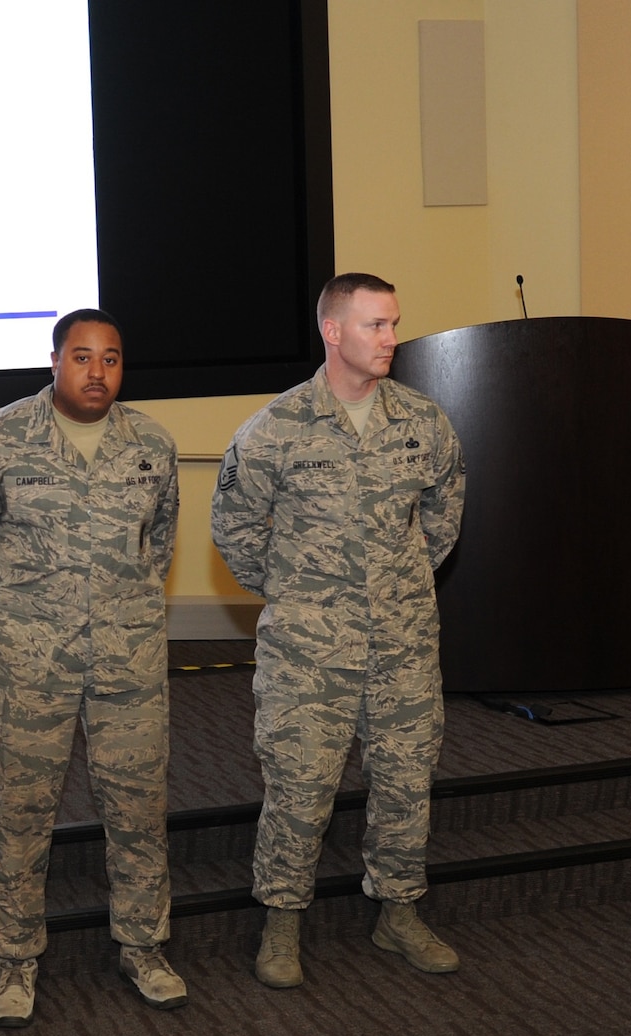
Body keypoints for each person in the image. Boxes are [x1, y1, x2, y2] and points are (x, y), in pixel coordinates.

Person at [211, 273, 466, 988]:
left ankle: (399, 910)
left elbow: (445, 513)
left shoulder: (424, 422)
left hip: (404, 643)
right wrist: (297, 594)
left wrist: (401, 579)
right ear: (333, 331)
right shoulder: (275, 429)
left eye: (392, 325)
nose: (390, 339)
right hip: (307, 651)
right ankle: (283, 922)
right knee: (299, 784)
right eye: (374, 326)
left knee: (406, 782)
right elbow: (233, 530)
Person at [0, 309, 184, 1025]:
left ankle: (144, 945)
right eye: (82, 356)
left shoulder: (153, 445)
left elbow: (159, 543)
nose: (97, 372)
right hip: (29, 665)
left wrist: (125, 612)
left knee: (138, 808)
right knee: (19, 812)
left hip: (130, 661)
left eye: (110, 358)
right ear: (53, 361)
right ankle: (15, 957)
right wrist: (16, 620)